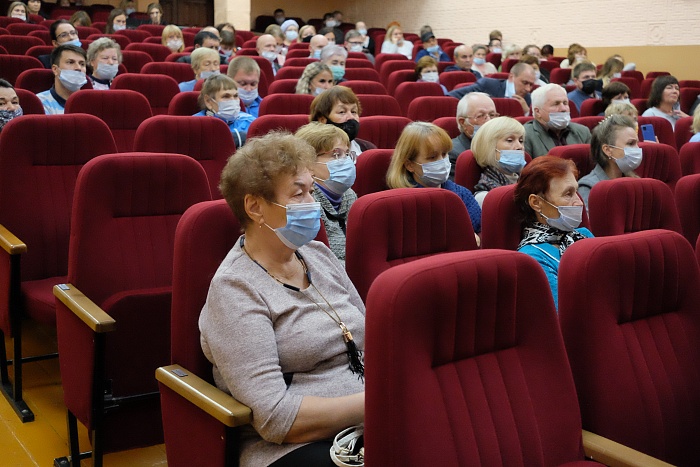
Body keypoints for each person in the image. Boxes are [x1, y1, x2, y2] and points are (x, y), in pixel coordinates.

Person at [202, 131, 365, 467]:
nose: (313, 203)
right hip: (292, 448)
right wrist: (382, 401)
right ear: (255, 207)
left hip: (367, 424)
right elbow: (276, 417)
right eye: (298, 193)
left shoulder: (318, 254)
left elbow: (371, 340)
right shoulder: (235, 288)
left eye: (311, 190)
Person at [514, 156, 593, 309]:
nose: (578, 202)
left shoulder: (583, 234)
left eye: (576, 192)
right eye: (568, 194)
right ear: (536, 203)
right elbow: (564, 314)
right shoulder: (532, 257)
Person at [386, 121, 482, 237]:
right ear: (409, 165)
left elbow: (482, 232)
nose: (442, 161)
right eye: (432, 157)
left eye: (444, 154)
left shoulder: (462, 194)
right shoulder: (398, 203)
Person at [295, 122, 357, 263]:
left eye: (347, 154)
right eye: (336, 155)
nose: (346, 161)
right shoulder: (305, 200)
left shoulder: (349, 194)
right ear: (307, 162)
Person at [577, 115, 641, 209]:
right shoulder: (588, 188)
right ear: (607, 150)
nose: (637, 149)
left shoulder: (635, 182)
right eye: (630, 144)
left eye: (637, 143)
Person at [524, 83, 592, 158]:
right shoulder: (525, 135)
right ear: (538, 111)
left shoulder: (583, 132)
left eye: (565, 103)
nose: (563, 109)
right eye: (556, 104)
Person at [471, 116, 526, 206]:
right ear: (490, 147)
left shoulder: (527, 182)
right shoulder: (485, 196)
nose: (519, 146)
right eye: (510, 140)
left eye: (521, 140)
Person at [449, 62, 536, 116]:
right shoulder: (488, 85)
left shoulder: (528, 99)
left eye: (531, 85)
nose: (528, 89)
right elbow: (451, 97)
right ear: (511, 77)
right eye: (525, 83)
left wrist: (527, 112)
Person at [310, 86, 377, 156]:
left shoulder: (368, 149)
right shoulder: (310, 151)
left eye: (353, 112)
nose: (351, 117)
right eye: (342, 112)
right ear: (322, 120)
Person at [194, 74, 254, 148]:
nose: (232, 101)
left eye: (235, 96)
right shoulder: (196, 125)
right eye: (226, 96)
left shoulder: (251, 121)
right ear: (208, 101)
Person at [448, 92, 497, 180]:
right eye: (481, 116)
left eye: (492, 115)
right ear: (463, 122)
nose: (489, 121)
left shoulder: (502, 146)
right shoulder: (453, 153)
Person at [37, 44, 87, 115]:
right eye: (70, 62)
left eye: (82, 64)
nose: (78, 68)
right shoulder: (39, 102)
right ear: (55, 69)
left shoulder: (92, 102)